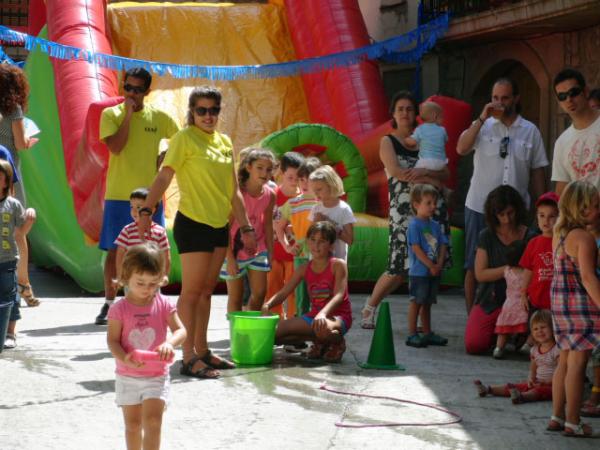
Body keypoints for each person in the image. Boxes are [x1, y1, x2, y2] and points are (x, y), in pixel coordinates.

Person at [138, 86, 256, 379]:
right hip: (192, 224)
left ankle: (202, 350)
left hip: (219, 226)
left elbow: (233, 191)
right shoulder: (183, 139)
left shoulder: (225, 142)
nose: (208, 116)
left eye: (213, 110)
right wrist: (146, 210)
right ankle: (188, 356)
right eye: (201, 110)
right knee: (191, 293)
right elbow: (165, 175)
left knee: (206, 292)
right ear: (192, 112)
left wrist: (247, 226)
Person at [96, 67, 180, 325]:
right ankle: (110, 302)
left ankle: (153, 300)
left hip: (149, 196)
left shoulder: (159, 118)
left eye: (138, 89)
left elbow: (180, 141)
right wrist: (129, 116)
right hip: (119, 194)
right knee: (114, 249)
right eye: (128, 87)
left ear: (147, 91)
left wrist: (163, 160)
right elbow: (116, 147)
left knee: (152, 249)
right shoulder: (111, 114)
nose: (132, 93)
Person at [457, 77, 548, 314]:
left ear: (516, 98)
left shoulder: (530, 131)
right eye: (495, 98)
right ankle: (472, 318)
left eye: (505, 98)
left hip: (515, 213)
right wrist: (481, 118)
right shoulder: (483, 126)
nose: (499, 103)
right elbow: (461, 148)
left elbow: (538, 171)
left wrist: (541, 208)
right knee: (472, 264)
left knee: (520, 263)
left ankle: (512, 318)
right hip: (479, 206)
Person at [361, 91, 451, 329]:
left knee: (429, 264)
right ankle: (370, 307)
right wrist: (432, 180)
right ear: (393, 113)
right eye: (400, 108)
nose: (405, 113)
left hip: (432, 210)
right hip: (403, 210)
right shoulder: (387, 142)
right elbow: (399, 173)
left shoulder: (426, 138)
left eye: (409, 109)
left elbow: (445, 172)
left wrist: (427, 175)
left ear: (417, 115)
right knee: (398, 266)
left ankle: (423, 323)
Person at [107, 243, 186, 450]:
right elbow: (113, 341)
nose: (147, 289)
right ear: (126, 277)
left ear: (161, 279)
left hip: (156, 375)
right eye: (140, 282)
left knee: (153, 422)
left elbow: (181, 331)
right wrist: (124, 357)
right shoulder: (119, 309)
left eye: (153, 283)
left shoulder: (164, 304)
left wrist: (169, 343)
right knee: (132, 425)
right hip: (127, 376)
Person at [547, 180, 600, 437]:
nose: (598, 211)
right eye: (593, 207)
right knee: (579, 364)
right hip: (580, 305)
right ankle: (573, 422)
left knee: (564, 361)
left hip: (559, 304)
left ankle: (557, 416)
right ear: (579, 209)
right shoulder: (585, 239)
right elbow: (589, 278)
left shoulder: (559, 233)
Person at [262, 221, 352, 363]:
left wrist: (323, 313)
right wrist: (268, 304)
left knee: (322, 328)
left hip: (338, 317)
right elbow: (284, 292)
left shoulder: (338, 265)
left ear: (331, 245)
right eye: (313, 240)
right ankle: (320, 341)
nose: (316, 246)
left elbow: (339, 295)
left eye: (322, 241)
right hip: (314, 317)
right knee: (271, 336)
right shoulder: (304, 268)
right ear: (307, 242)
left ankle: (336, 341)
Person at [464, 185, 536, 355]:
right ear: (493, 214)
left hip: (524, 301)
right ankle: (499, 335)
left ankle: (514, 336)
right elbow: (480, 274)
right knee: (474, 344)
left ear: (518, 210)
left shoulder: (531, 236)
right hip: (491, 299)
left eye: (510, 213)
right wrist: (510, 270)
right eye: (501, 214)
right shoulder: (486, 235)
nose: (507, 219)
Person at [0, 65, 39, 307]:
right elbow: (20, 143)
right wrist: (30, 141)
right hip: (9, 175)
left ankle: (19, 285)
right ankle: (23, 284)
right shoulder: (13, 110)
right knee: (18, 231)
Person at [221, 148, 276, 312]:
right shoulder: (238, 194)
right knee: (236, 297)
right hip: (234, 252)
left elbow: (267, 224)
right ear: (248, 167)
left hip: (258, 251)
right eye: (259, 167)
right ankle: (236, 334)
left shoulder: (270, 195)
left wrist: (270, 252)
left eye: (268, 169)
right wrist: (229, 258)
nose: (264, 173)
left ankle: (249, 328)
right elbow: (225, 227)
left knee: (260, 293)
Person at [473, 309, 559, 404]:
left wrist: (547, 382)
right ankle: (488, 389)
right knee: (517, 386)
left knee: (539, 392)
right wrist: (531, 379)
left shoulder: (557, 350)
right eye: (535, 329)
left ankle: (522, 397)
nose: (539, 331)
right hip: (537, 383)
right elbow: (533, 369)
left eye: (543, 327)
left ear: (553, 328)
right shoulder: (534, 350)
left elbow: (562, 372)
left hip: (554, 386)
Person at [275, 157, 322, 317]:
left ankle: (319, 329)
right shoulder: (292, 204)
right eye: (301, 179)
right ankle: (299, 328)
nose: (303, 183)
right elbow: (278, 227)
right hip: (301, 257)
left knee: (321, 294)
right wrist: (287, 246)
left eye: (308, 179)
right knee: (300, 296)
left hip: (321, 258)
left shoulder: (323, 202)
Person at [405, 184, 448, 348]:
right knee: (417, 301)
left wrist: (439, 264)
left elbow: (443, 244)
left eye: (434, 203)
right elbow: (416, 248)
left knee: (428, 302)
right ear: (416, 205)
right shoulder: (414, 225)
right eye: (428, 203)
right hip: (419, 272)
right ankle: (412, 333)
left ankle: (427, 332)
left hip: (433, 271)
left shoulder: (436, 225)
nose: (433, 206)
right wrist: (431, 265)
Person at [267, 151, 304, 319]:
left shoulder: (303, 197)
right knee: (272, 288)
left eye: (298, 178)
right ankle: (275, 323)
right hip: (274, 252)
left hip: (295, 254)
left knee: (293, 290)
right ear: (281, 173)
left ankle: (292, 322)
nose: (295, 182)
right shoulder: (272, 195)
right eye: (290, 177)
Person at [551, 69, 600, 196]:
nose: (569, 99)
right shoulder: (561, 142)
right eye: (562, 96)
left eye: (574, 92)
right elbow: (562, 187)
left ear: (586, 91)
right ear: (558, 102)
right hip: (580, 215)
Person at [113, 188, 170, 285]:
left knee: (153, 299)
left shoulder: (159, 231)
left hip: (153, 279)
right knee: (132, 299)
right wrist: (120, 275)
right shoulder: (127, 230)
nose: (134, 211)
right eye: (132, 207)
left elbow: (166, 255)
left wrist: (164, 275)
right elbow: (120, 254)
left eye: (139, 207)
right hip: (132, 278)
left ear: (152, 210)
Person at [0, 160, 28, 350]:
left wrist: (30, 220)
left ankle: (10, 332)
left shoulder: (13, 205)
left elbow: (21, 232)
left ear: (6, 181)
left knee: (9, 298)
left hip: (8, 260)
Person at [308, 165, 356, 261]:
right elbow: (310, 237)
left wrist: (329, 224)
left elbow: (350, 240)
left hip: (336, 264)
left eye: (319, 189)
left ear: (331, 185)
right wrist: (314, 225)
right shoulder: (316, 208)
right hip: (316, 262)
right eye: (314, 190)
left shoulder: (344, 209)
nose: (316, 193)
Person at [492, 241, 527, 359]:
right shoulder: (526, 272)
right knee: (525, 325)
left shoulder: (507, 271)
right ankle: (527, 345)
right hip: (522, 303)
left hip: (508, 304)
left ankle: (498, 348)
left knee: (504, 329)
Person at [403, 101, 448, 171]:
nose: (443, 120)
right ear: (435, 116)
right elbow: (446, 140)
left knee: (413, 171)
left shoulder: (420, 129)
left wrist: (405, 139)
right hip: (441, 163)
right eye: (441, 117)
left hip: (425, 162)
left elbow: (412, 142)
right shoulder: (442, 129)